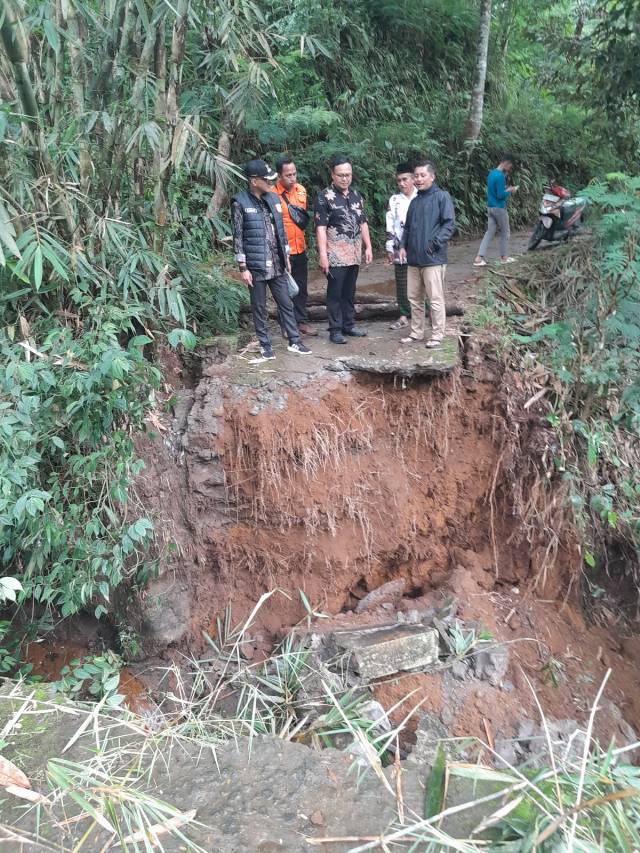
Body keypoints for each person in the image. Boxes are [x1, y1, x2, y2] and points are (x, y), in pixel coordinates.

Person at [231, 159, 312, 363]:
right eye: (266, 179)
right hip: (255, 266)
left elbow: (281, 231)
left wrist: (286, 256)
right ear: (254, 181)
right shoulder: (239, 202)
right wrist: (243, 267)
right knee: (259, 307)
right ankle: (265, 346)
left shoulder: (274, 199)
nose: (270, 182)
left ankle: (295, 341)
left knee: (286, 302)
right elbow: (238, 237)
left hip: (277, 263)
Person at [314, 155, 373, 344]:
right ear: (332, 175)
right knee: (335, 293)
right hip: (335, 254)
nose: (345, 178)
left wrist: (368, 246)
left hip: (354, 253)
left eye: (348, 175)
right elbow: (320, 228)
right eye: (340, 175)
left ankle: (349, 325)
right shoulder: (324, 197)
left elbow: (363, 223)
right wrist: (323, 255)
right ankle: (335, 329)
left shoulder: (356, 195)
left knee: (350, 291)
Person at [399, 161, 455, 348]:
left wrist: (435, 244)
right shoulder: (415, 201)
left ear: (432, 176)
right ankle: (416, 332)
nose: (419, 179)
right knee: (414, 298)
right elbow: (407, 228)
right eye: (416, 176)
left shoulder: (442, 197)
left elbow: (448, 224)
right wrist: (402, 246)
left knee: (435, 299)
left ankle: (437, 334)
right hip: (414, 259)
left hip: (433, 258)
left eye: (423, 175)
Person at [273, 156, 317, 336]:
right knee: (284, 289)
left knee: (301, 287)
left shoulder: (301, 191)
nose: (293, 178)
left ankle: (301, 322)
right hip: (281, 250)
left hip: (300, 247)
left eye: (294, 173)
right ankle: (286, 325)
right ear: (279, 176)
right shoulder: (271, 194)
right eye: (288, 175)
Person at [385, 162, 417, 331]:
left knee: (423, 281)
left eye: (405, 179)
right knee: (402, 281)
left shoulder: (421, 196)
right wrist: (390, 248)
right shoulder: (395, 200)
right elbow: (390, 223)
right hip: (399, 247)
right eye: (399, 180)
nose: (402, 183)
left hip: (419, 246)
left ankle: (426, 314)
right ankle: (404, 315)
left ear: (413, 179)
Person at [473, 154, 518, 266]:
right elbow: (500, 195)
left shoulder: (492, 173)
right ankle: (504, 257)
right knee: (505, 232)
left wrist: (505, 189)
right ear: (506, 163)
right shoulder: (500, 176)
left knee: (489, 232)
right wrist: (510, 190)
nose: (509, 169)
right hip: (499, 208)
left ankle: (479, 258)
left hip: (490, 207)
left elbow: (494, 191)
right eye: (510, 166)